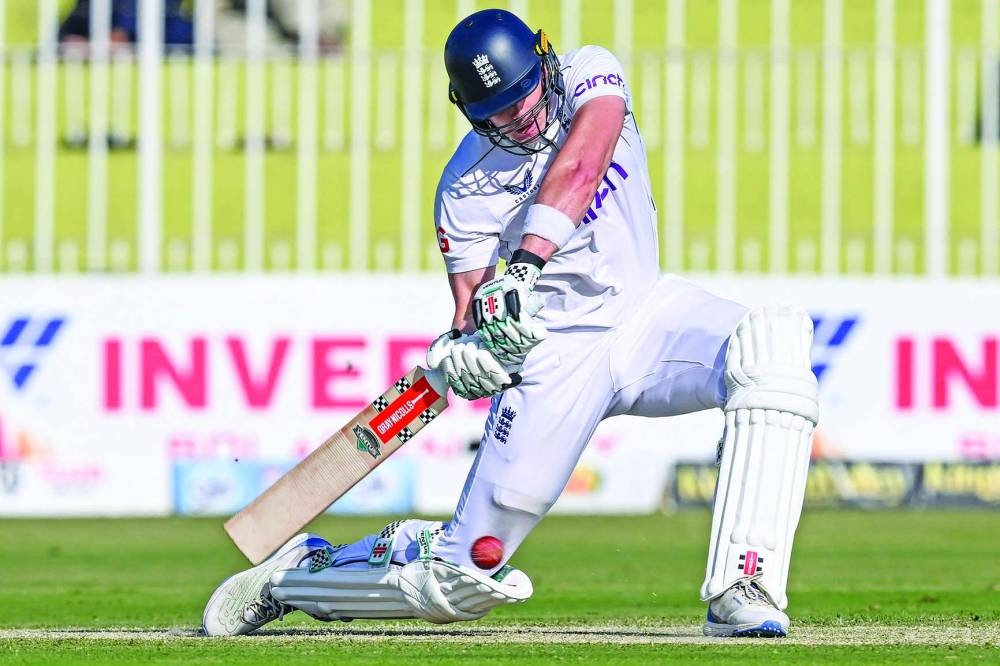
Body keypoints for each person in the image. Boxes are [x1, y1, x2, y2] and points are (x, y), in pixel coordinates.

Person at [202, 8, 819, 638]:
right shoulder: (464, 191)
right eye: (497, 111)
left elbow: (583, 164)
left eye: (525, 94)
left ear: (545, 61)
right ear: (469, 113)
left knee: (771, 346)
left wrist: (524, 265)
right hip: (553, 361)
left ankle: (743, 583)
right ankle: (298, 574)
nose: (521, 117)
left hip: (647, 316)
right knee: (460, 580)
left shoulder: (590, 74)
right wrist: (475, 353)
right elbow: (472, 314)